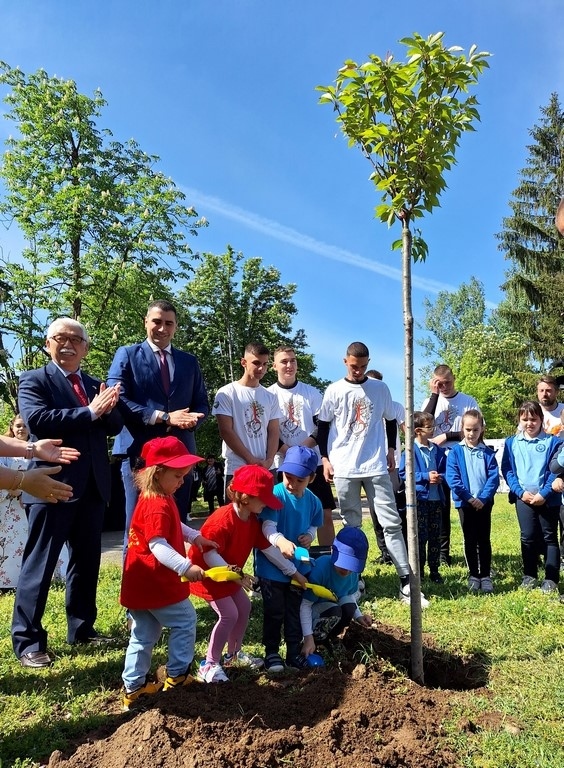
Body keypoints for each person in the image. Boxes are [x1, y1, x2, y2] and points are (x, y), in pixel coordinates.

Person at [13, 318, 123, 668]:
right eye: (60, 338)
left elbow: (116, 427)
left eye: (76, 339)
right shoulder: (34, 380)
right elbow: (37, 421)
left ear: (85, 348)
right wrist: (90, 411)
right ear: (48, 344)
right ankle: (28, 640)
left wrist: (108, 407)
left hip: (92, 487)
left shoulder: (93, 384)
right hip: (51, 483)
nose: (68, 344)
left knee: (86, 562)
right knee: (40, 564)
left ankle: (82, 628)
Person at [318, 342, 428, 607]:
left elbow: (391, 419)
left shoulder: (380, 388)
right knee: (351, 524)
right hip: (344, 467)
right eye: (354, 366)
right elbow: (322, 426)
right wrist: (325, 459)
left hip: (376, 465)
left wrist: (391, 448)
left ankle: (407, 581)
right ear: (345, 362)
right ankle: (354, 579)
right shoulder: (334, 390)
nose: (359, 371)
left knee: (391, 523)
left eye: (364, 366)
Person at [120, 436, 217, 709]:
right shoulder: (158, 505)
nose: (183, 480)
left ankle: (134, 687)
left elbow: (175, 526)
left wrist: (196, 537)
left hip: (139, 585)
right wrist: (187, 566)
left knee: (142, 635)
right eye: (178, 474)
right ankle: (177, 675)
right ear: (157, 472)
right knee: (185, 620)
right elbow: (158, 546)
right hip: (157, 583)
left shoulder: (158, 498)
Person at [189, 464, 300, 682]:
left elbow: (268, 550)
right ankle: (209, 664)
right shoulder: (222, 520)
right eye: (264, 498)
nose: (268, 504)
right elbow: (209, 554)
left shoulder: (251, 521)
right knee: (229, 614)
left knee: (244, 606)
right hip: (208, 575)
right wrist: (234, 573)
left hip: (231, 575)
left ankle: (233, 655)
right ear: (247, 497)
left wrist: (293, 572)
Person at [108, 299, 209, 538]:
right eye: (157, 321)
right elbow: (117, 396)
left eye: (169, 323)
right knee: (138, 527)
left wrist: (191, 419)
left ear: (176, 327)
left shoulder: (189, 362)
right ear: (146, 322)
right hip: (139, 456)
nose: (162, 328)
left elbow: (202, 403)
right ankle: (134, 575)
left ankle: (172, 575)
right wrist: (164, 417)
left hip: (180, 457)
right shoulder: (128, 354)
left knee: (175, 525)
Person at [255, 445, 323, 672]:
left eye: (299, 480)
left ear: (311, 478)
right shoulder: (275, 494)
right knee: (274, 611)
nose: (292, 484)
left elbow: (314, 523)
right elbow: (267, 527)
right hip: (270, 569)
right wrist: (281, 541)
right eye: (288, 477)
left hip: (297, 568)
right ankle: (272, 652)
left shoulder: (313, 501)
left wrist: (309, 536)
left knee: (293, 610)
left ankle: (294, 651)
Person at [267, 345, 336, 546]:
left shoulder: (311, 393)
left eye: (293, 360)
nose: (289, 365)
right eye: (284, 361)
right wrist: (288, 451)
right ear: (274, 366)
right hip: (283, 463)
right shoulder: (268, 394)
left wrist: (302, 449)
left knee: (324, 513)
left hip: (312, 462)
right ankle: (287, 560)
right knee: (284, 514)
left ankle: (326, 560)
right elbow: (268, 431)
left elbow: (321, 426)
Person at [0, 415, 70, 589]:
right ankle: (10, 582)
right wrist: (20, 486)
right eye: (18, 425)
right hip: (12, 506)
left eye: (25, 426)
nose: (21, 429)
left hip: (36, 501)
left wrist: (33, 448)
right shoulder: (7, 455)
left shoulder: (35, 447)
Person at [422, 364, 480, 566]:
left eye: (447, 382)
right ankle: (443, 554)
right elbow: (421, 425)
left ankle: (473, 548)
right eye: (439, 383)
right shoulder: (431, 401)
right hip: (436, 459)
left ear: (454, 378)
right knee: (440, 507)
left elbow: (477, 429)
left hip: (460, 456)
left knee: (466, 503)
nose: (444, 387)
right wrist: (434, 395)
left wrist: (446, 435)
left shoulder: (467, 401)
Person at [501, 401, 561, 593]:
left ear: (541, 420)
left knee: (549, 537)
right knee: (527, 537)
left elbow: (555, 472)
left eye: (533, 419)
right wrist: (520, 492)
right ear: (519, 420)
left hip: (547, 499)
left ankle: (551, 579)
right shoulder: (512, 442)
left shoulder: (552, 442)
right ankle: (529, 575)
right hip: (523, 498)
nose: (529, 423)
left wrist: (544, 494)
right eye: (525, 419)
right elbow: (508, 469)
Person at [212, 342, 281, 487]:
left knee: (269, 509)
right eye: (256, 363)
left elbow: (274, 431)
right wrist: (250, 459)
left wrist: (269, 460)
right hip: (238, 468)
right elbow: (226, 431)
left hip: (267, 467)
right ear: (244, 362)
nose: (261, 368)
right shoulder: (227, 393)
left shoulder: (271, 396)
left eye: (265, 364)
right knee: (236, 510)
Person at [445, 410, 500, 593]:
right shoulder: (455, 452)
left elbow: (493, 479)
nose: (471, 434)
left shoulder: (488, 452)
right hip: (465, 504)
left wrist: (483, 498)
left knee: (484, 539)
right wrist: (469, 498)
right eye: (468, 429)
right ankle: (473, 575)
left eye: (475, 430)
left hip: (484, 504)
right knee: (470, 539)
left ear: (482, 429)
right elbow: (453, 479)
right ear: (462, 429)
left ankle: (485, 575)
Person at [300, 527, 373, 658]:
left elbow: (348, 596)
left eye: (351, 566)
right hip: (314, 612)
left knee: (348, 607)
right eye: (343, 564)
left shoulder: (353, 574)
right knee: (335, 611)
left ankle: (331, 637)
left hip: (332, 611)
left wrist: (359, 616)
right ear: (333, 551)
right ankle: (317, 641)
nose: (346, 570)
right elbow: (305, 605)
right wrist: (308, 637)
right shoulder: (320, 569)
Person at [399, 412, 447, 585]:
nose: (433, 429)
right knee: (420, 537)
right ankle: (418, 572)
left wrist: (440, 476)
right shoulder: (410, 451)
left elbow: (446, 469)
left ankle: (434, 570)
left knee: (435, 536)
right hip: (419, 500)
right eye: (430, 427)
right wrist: (426, 477)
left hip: (436, 500)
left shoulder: (437, 450)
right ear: (418, 430)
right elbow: (404, 473)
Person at [366, 369, 405, 564]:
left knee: (394, 509)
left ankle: (401, 549)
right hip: (370, 465)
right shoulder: (363, 405)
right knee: (374, 511)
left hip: (392, 466)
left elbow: (408, 430)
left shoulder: (395, 407)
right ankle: (385, 552)